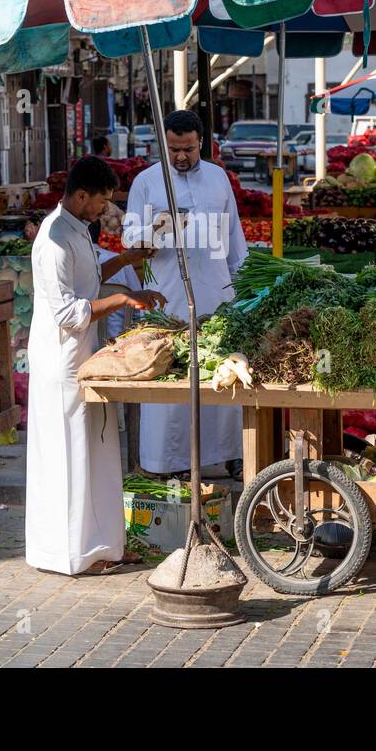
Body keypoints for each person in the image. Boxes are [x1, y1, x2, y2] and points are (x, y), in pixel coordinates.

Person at [25, 156, 163, 576]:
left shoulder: (77, 229)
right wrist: (122, 300)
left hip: (87, 355)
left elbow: (87, 279)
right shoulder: (52, 240)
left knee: (99, 451)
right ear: (80, 195)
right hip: (62, 359)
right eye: (100, 202)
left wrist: (125, 262)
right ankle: (70, 554)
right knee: (69, 455)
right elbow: (68, 313)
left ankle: (106, 545)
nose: (104, 210)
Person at [124, 110, 248, 481]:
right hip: (169, 298)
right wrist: (166, 226)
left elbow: (234, 238)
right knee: (169, 378)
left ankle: (229, 456)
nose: (181, 156)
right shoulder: (146, 182)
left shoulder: (218, 177)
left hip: (217, 293)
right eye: (174, 149)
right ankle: (164, 463)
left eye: (189, 149)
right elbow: (131, 240)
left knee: (223, 375)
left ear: (201, 143)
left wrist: (242, 288)